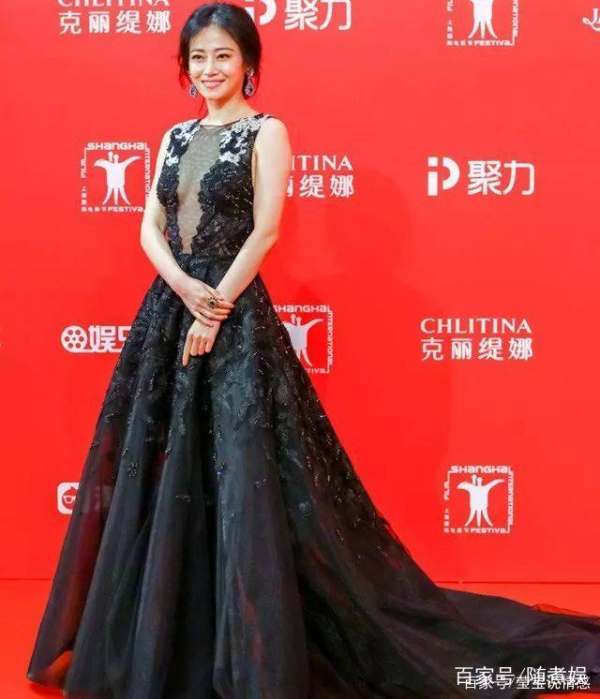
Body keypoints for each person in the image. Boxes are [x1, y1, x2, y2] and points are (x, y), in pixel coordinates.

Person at [26, 3, 600, 698]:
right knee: (162, 469)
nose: (210, 69)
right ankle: (172, 638)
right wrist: (182, 287)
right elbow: (150, 224)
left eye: (223, 56)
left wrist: (215, 307)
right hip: (170, 311)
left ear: (249, 63)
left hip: (232, 317)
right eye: (198, 58)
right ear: (185, 67)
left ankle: (251, 648)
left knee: (242, 474)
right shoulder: (174, 136)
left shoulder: (266, 133)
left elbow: (265, 230)